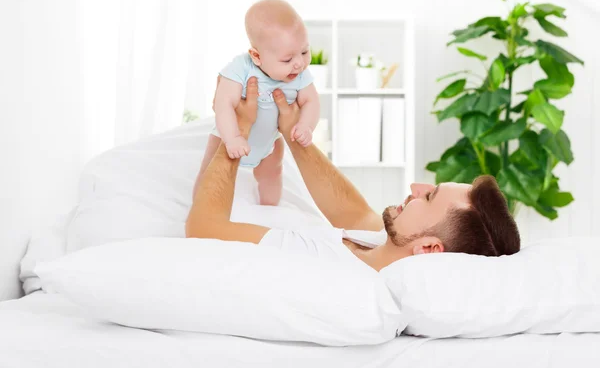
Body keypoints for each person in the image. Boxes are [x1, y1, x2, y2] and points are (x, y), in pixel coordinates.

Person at [186, 77, 521, 272]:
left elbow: (203, 230)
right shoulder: (384, 248)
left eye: (429, 196)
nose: (416, 187)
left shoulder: (328, 267)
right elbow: (353, 212)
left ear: (430, 249)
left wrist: (237, 129)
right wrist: (293, 132)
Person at [194, 0, 320, 206]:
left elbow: (311, 101)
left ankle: (269, 207)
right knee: (209, 172)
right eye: (287, 59)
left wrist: (306, 126)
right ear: (256, 56)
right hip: (226, 138)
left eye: (305, 52)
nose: (299, 63)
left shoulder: (299, 75)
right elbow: (223, 103)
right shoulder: (241, 68)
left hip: (268, 143)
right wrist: (232, 137)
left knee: (273, 171)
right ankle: (200, 204)